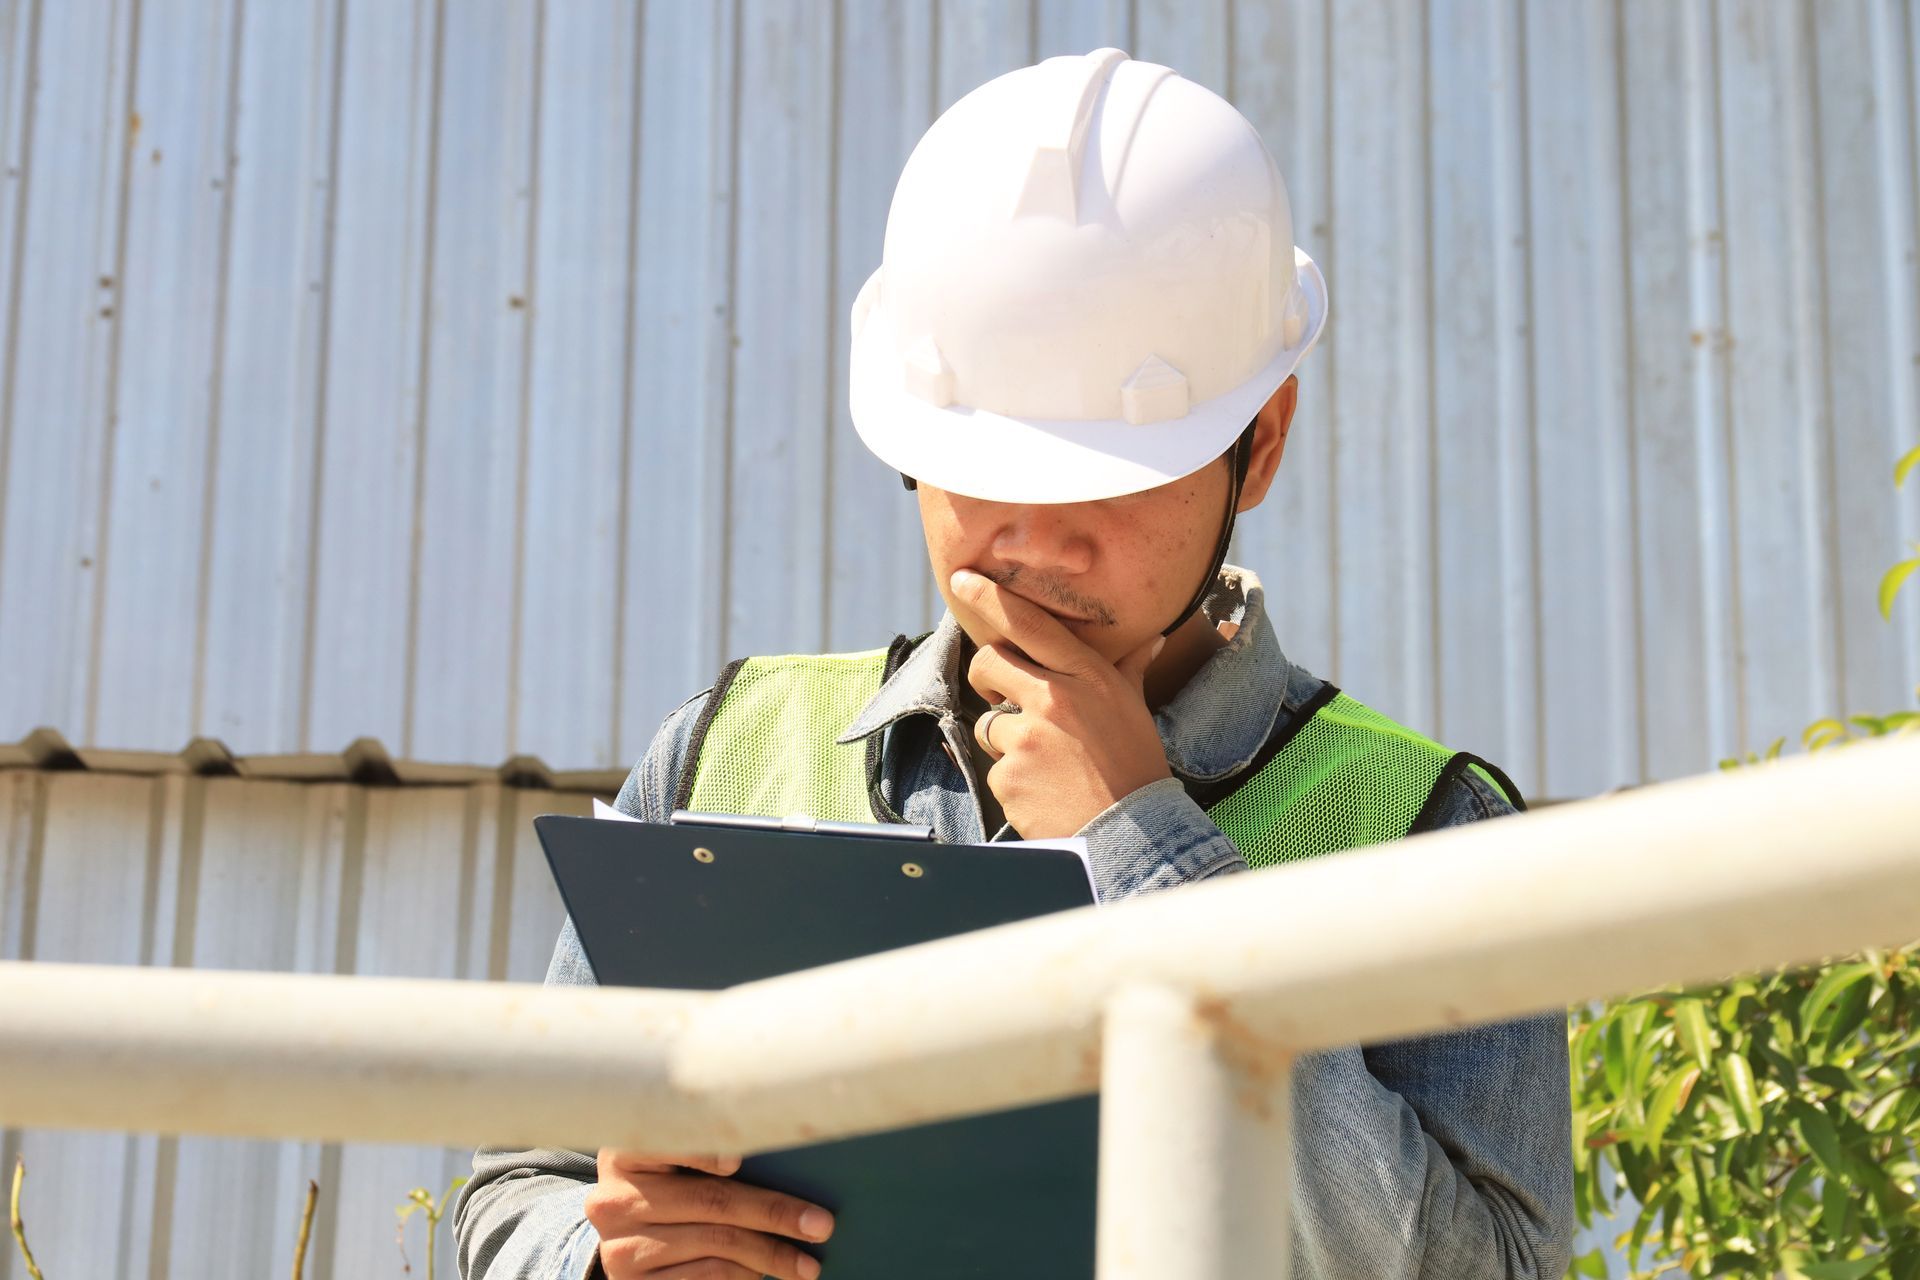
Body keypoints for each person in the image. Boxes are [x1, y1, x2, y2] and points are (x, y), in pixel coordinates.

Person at [457, 48, 1575, 1280]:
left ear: (1259, 447)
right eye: (987, 468)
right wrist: (604, 1255)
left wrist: (1144, 854)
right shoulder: (727, 749)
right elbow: (520, 1186)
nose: (1039, 541)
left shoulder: (1429, 835)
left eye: (1105, 476)